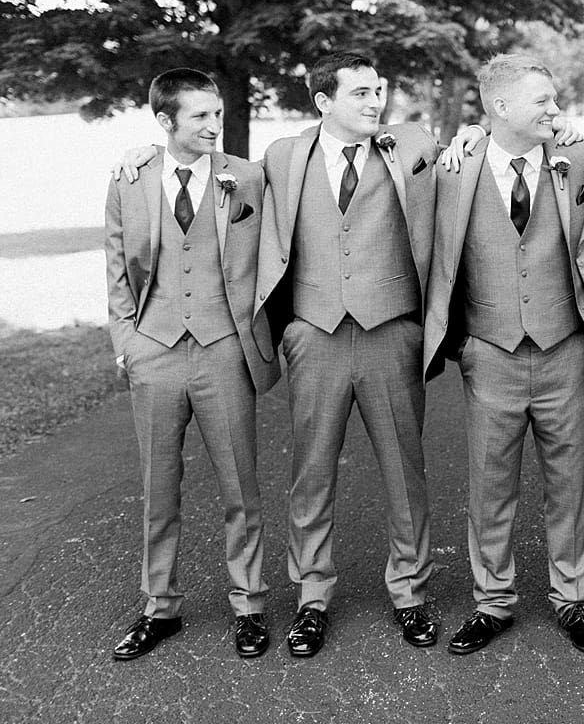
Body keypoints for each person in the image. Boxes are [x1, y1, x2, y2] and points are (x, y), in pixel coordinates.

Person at [251, 51, 440, 657]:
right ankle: (312, 597)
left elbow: (489, 139)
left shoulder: (413, 143)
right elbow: (214, 173)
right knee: (311, 471)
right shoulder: (284, 156)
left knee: (404, 471)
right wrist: (142, 153)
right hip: (315, 332)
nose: (373, 102)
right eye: (359, 93)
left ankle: (409, 592)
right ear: (323, 101)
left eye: (378, 90)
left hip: (391, 330)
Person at [423, 54, 584, 656]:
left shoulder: (580, 157)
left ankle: (572, 598)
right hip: (490, 349)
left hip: (564, 347)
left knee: (570, 481)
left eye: (556, 102)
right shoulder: (454, 167)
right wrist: (468, 133)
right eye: (543, 102)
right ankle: (492, 602)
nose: (556, 111)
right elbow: (391, 142)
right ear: (500, 108)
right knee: (489, 482)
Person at [104, 68, 278, 660]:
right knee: (159, 489)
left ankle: (250, 606)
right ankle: (160, 609)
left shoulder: (249, 177)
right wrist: (126, 340)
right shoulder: (130, 177)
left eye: (217, 113)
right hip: (152, 349)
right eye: (199, 115)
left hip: (224, 348)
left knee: (240, 486)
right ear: (164, 122)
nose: (213, 124)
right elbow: (115, 261)